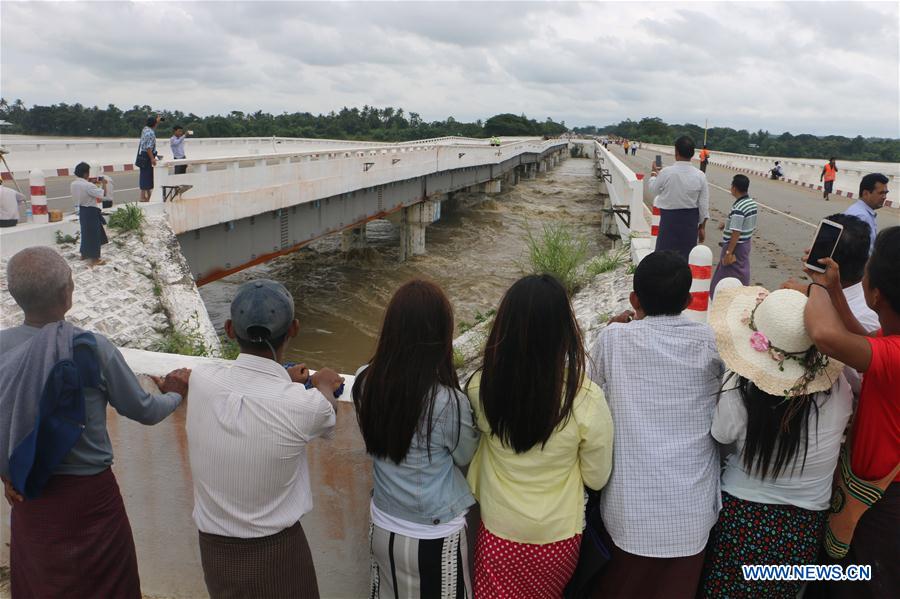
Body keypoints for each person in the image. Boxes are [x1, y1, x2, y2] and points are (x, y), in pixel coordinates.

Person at [0, 246, 189, 598]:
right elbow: (145, 411)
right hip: (90, 501)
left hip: (30, 494)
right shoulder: (89, 348)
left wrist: (6, 471)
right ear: (66, 293)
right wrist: (175, 393)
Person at [186, 279, 344, 599]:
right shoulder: (301, 405)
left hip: (214, 551)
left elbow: (246, 388)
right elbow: (328, 414)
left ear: (230, 329)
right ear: (294, 328)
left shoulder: (202, 380)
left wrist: (282, 378)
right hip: (276, 553)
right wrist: (322, 382)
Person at [699, 285, 851, 598]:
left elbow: (721, 433)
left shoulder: (740, 390)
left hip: (740, 518)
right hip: (804, 527)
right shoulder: (840, 391)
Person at [466, 274, 613, 598]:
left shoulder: (481, 388)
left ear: (504, 327)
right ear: (564, 332)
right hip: (558, 538)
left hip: (499, 531)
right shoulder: (586, 398)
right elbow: (597, 477)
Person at [589, 251, 724, 599]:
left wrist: (611, 331)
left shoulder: (613, 340)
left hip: (629, 514)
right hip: (691, 517)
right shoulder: (710, 344)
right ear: (688, 300)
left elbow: (592, 393)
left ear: (634, 299)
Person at [352, 280, 479, 598]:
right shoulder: (448, 402)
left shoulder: (365, 381)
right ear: (439, 337)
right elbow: (465, 454)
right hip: (435, 536)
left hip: (383, 525)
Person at [803, 226, 900, 598]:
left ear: (875, 294)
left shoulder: (893, 356)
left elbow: (826, 337)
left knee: (865, 583)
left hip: (884, 499)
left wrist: (813, 284)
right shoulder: (891, 336)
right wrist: (834, 290)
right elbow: (861, 339)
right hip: (876, 490)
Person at [648, 135, 710, 260]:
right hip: (689, 223)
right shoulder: (700, 176)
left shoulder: (666, 172)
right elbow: (703, 205)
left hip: (669, 222)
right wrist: (702, 227)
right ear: (692, 154)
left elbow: (653, 190)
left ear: (676, 152)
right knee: (685, 258)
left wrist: (654, 173)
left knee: (664, 257)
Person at [711, 174, 757, 297]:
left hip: (735, 246)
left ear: (734, 188)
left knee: (724, 274)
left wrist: (728, 253)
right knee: (742, 271)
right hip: (745, 244)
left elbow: (736, 233)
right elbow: (743, 224)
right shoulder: (751, 203)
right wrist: (726, 225)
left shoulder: (739, 208)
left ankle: (720, 297)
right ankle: (742, 294)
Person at [71, 161, 108, 266]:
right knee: (94, 234)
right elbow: (102, 194)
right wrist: (104, 184)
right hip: (91, 210)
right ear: (85, 174)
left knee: (85, 233)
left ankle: (84, 254)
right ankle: (95, 258)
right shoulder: (88, 185)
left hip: (82, 210)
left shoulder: (73, 184)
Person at [844, 172, 890, 255]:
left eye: (885, 193)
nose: (884, 197)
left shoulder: (861, 211)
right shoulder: (861, 217)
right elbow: (859, 253)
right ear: (865, 193)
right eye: (881, 193)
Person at [137, 115, 160, 202]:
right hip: (147, 155)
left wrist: (156, 121)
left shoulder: (145, 129)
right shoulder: (151, 133)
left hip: (142, 155)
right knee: (147, 176)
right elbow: (148, 147)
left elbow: (151, 128)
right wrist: (152, 158)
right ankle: (142, 197)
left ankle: (148, 195)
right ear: (154, 124)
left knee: (144, 175)